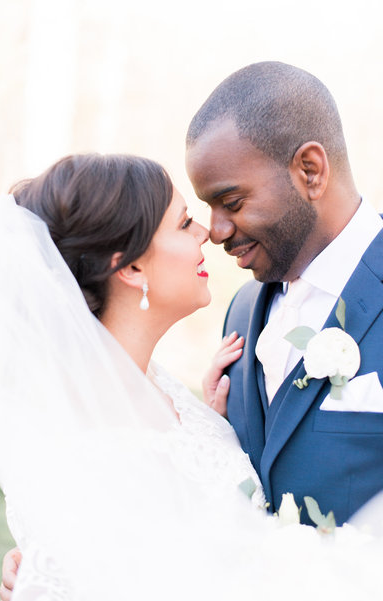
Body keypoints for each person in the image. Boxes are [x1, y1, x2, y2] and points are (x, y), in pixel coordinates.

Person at [0, 152, 383, 601]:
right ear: (132, 267)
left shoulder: (160, 384)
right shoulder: (85, 439)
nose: (207, 234)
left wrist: (217, 423)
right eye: (183, 224)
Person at [186, 61, 383, 528]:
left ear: (310, 170)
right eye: (208, 208)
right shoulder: (240, 313)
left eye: (231, 203)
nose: (215, 231)